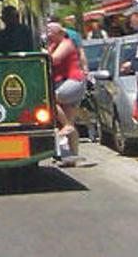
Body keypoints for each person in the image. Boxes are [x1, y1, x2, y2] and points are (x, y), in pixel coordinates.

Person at [47, 22, 86, 167]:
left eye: (50, 31)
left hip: (73, 82)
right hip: (64, 83)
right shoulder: (53, 45)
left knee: (50, 100)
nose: (48, 34)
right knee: (69, 119)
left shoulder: (66, 43)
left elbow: (53, 59)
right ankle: (73, 158)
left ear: (59, 33)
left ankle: (67, 125)